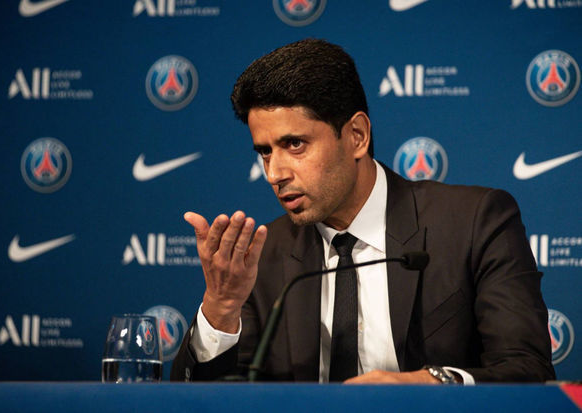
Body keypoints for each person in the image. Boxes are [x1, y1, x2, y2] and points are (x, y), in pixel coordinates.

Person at [170, 39, 555, 383]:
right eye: (265, 152)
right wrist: (221, 308)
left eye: (295, 145)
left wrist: (428, 384)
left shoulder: (474, 222)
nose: (275, 173)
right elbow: (204, 401)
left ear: (357, 136)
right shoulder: (262, 255)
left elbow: (527, 369)